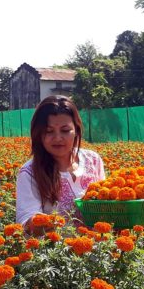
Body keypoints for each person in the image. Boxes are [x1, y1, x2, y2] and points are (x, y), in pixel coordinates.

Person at [16, 95, 105, 232]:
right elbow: (26, 220)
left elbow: (106, 202)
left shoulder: (93, 160)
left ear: (76, 130)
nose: (58, 138)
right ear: (39, 134)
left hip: (99, 250)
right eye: (49, 131)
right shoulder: (30, 173)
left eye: (65, 130)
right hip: (56, 252)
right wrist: (40, 222)